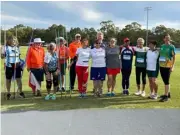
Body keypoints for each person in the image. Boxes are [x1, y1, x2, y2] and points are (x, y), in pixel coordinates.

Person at [159, 34, 176, 102]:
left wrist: (172, 66)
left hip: (168, 66)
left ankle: (166, 96)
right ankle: (167, 93)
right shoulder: (162, 46)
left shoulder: (171, 47)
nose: (167, 39)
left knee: (166, 81)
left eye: (168, 38)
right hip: (161, 65)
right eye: (166, 38)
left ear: (170, 39)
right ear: (164, 39)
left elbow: (174, 57)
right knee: (164, 80)